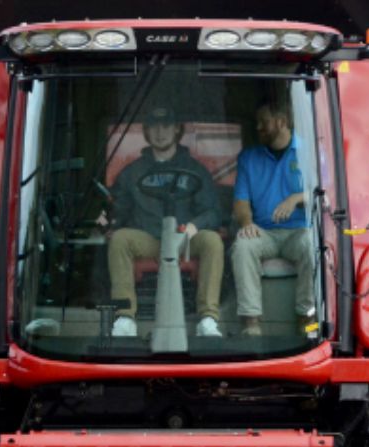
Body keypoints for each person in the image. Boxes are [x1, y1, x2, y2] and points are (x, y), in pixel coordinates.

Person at [104, 105, 225, 337]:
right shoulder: (133, 171)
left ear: (177, 130)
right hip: (148, 238)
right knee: (120, 239)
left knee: (212, 241)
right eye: (154, 127)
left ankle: (208, 319)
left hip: (185, 240)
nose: (161, 132)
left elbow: (213, 212)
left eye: (167, 126)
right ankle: (125, 318)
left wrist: (194, 226)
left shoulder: (195, 169)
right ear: (147, 132)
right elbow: (118, 208)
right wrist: (109, 223)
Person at [230, 99, 316, 336]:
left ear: (282, 121)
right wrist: (247, 223)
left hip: (299, 231)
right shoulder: (249, 157)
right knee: (243, 245)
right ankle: (251, 324)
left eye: (263, 122)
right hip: (264, 232)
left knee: (313, 244)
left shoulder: (311, 151)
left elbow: (327, 193)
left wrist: (295, 198)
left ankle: (305, 318)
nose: (258, 128)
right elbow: (240, 201)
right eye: (257, 122)